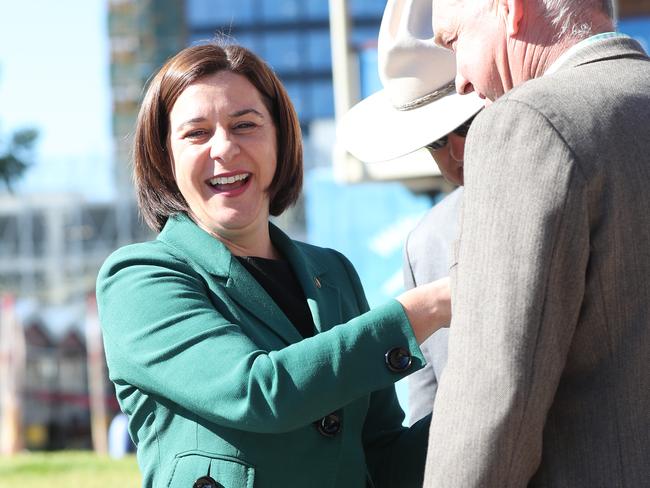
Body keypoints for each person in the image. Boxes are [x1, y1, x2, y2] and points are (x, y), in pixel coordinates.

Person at [96, 42, 453, 488]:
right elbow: (260, 392)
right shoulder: (139, 279)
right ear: (165, 159)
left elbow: (381, 455)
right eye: (196, 133)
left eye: (245, 125)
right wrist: (430, 307)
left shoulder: (334, 273)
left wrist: (498, 397)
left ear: (281, 140)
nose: (224, 148)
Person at [423, 0, 650, 486]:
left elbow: (492, 406)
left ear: (509, 10)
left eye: (453, 40)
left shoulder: (525, 123)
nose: (460, 80)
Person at [338, 0, 482, 425]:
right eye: (436, 140)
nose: (456, 153)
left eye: (470, 124)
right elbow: (427, 419)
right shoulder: (425, 243)